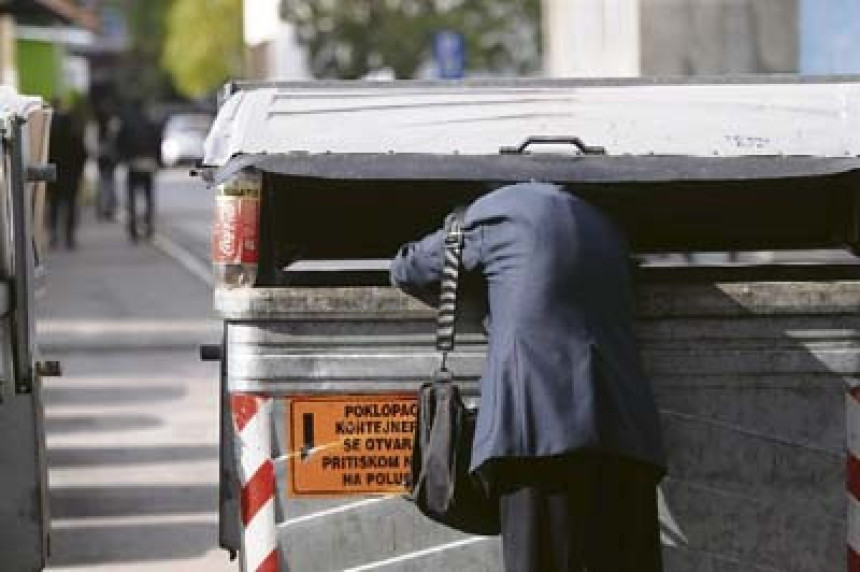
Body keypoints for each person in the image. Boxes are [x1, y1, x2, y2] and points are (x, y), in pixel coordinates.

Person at [391, 182, 665, 571]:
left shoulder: (495, 212)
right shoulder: (605, 225)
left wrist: (457, 219)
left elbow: (410, 268)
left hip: (538, 430)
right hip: (626, 436)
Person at [47, 98, 87, 249]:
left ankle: (53, 235)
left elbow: (47, 154)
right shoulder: (74, 134)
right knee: (70, 206)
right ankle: (69, 236)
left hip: (55, 174)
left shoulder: (52, 134)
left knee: (54, 206)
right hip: (71, 176)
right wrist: (79, 172)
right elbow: (83, 154)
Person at [117, 102, 160, 242]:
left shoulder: (127, 123)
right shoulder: (149, 122)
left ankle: (133, 229)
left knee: (131, 198)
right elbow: (157, 141)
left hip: (133, 164)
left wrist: (123, 158)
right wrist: (158, 161)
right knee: (148, 197)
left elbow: (119, 142)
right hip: (148, 163)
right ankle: (148, 226)